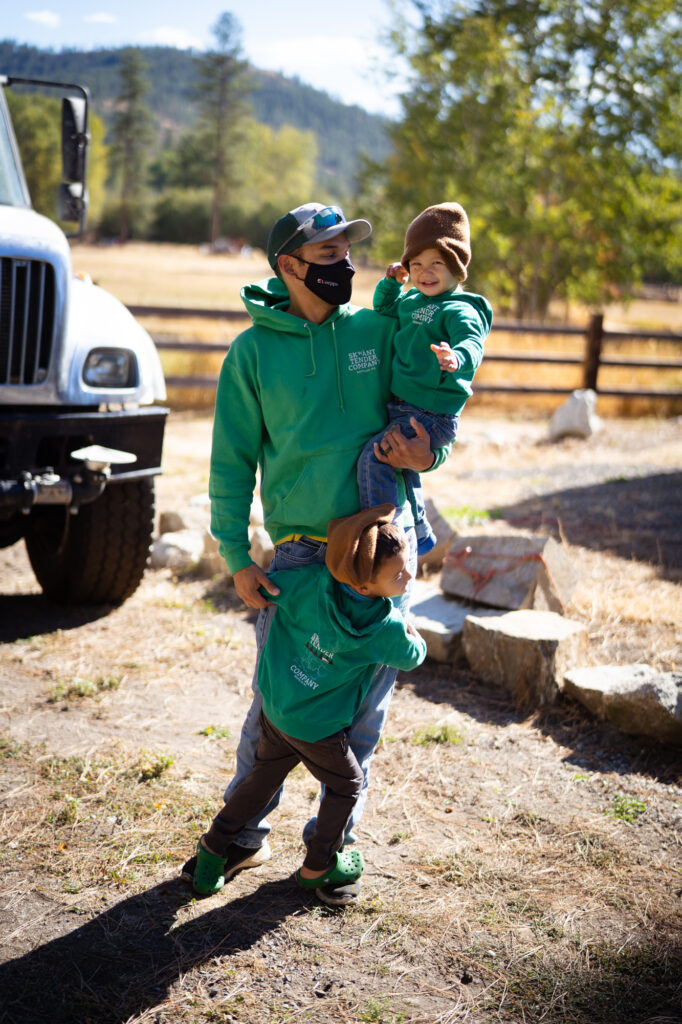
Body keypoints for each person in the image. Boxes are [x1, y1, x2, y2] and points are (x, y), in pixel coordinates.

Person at [185, 201, 448, 907]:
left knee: (362, 707)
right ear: (289, 266)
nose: (345, 266)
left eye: (347, 251)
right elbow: (231, 463)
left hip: (382, 548)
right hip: (300, 558)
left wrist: (433, 447)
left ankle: (332, 847)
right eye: (328, 255)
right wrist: (236, 554)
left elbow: (425, 402)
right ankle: (241, 835)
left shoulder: (377, 327)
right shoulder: (252, 353)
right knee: (277, 699)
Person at [189, 505, 426, 900]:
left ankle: (212, 849)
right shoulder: (384, 628)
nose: (409, 576)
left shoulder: (312, 581)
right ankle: (319, 864)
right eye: (398, 573)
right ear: (366, 588)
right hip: (321, 731)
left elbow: (269, 588)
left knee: (259, 783)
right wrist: (412, 631)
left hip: (278, 710)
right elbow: (414, 656)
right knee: (348, 785)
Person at [357, 202, 493, 555]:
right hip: (405, 407)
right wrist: (390, 284)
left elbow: (472, 343)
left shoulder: (461, 308)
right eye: (415, 264)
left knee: (376, 458)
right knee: (403, 467)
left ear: (457, 268)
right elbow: (384, 311)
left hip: (431, 413)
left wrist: (456, 358)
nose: (425, 272)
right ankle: (418, 530)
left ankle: (383, 534)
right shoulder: (411, 300)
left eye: (436, 263)